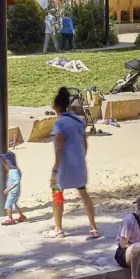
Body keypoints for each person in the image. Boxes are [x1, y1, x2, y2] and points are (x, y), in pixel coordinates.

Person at [48, 86, 100, 239]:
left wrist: (55, 170)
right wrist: (79, 158)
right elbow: (85, 144)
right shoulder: (78, 121)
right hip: (79, 164)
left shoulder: (59, 125)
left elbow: (59, 149)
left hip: (64, 166)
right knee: (84, 195)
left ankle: (58, 228)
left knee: (57, 194)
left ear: (57, 107)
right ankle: (93, 228)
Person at [2, 152, 27, 225]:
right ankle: (22, 216)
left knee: (8, 205)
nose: (4, 166)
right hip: (15, 191)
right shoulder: (13, 170)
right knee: (14, 204)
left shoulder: (14, 171)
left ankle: (10, 220)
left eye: (5, 164)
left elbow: (17, 182)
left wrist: (8, 189)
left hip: (13, 192)